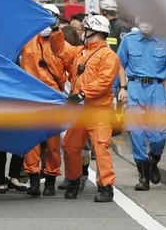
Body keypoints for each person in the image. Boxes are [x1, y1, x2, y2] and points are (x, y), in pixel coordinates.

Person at [50, 14, 120, 202]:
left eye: (86, 29)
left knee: (100, 148)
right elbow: (60, 49)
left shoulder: (109, 56)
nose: (83, 32)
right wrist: (55, 30)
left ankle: (106, 187)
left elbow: (104, 82)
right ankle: (73, 181)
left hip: (98, 110)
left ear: (94, 31)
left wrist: (82, 94)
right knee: (70, 146)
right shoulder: (80, 51)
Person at [116, 22, 166, 191]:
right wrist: (119, 90)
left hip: (156, 89)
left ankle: (153, 159)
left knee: (159, 135)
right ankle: (143, 177)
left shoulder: (163, 41)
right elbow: (118, 64)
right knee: (137, 133)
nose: (146, 25)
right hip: (135, 88)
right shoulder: (129, 40)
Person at [19, 4, 64, 197]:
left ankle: (51, 180)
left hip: (53, 97)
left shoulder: (62, 45)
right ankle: (34, 180)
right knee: (31, 142)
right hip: (31, 97)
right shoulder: (26, 41)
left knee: (53, 144)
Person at [56, 26, 92, 193]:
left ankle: (82, 174)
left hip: (83, 107)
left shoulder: (81, 58)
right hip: (66, 107)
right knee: (67, 145)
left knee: (82, 146)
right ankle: (71, 177)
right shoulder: (59, 60)